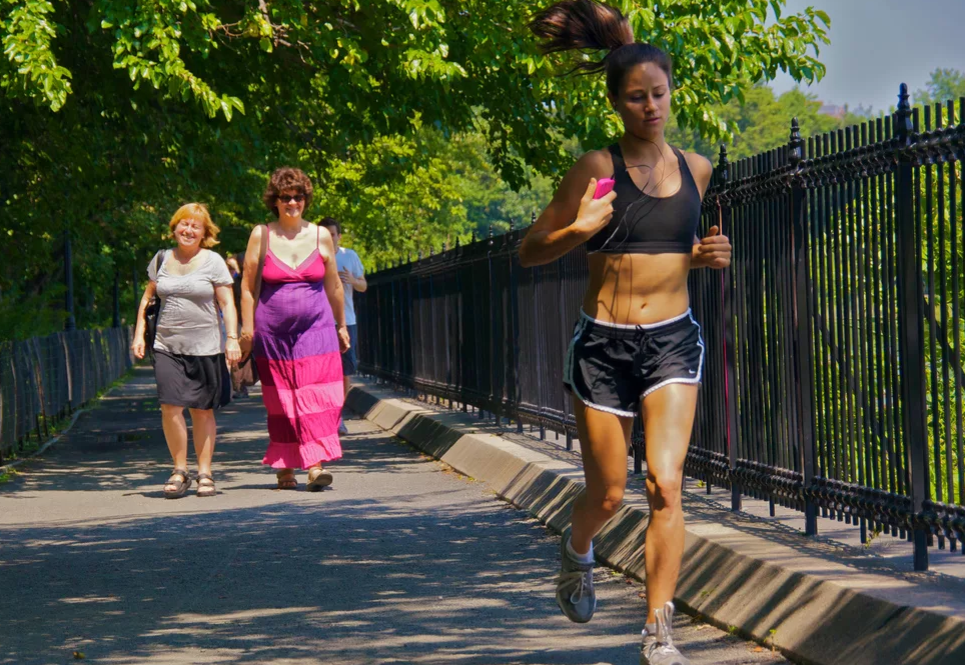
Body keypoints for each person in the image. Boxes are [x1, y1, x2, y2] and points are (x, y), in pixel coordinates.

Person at [520, 2, 732, 664]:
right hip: (603, 347)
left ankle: (656, 626)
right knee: (608, 492)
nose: (650, 107)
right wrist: (578, 231)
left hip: (671, 341)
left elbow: (671, 246)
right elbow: (529, 249)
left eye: (658, 94)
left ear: (671, 94)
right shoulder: (594, 169)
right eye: (636, 97)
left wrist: (701, 258)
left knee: (665, 485)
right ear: (615, 104)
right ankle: (576, 549)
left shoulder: (696, 170)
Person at [239, 168, 350, 491]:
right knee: (281, 399)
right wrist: (246, 330)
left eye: (298, 196)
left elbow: (334, 289)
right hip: (272, 333)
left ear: (306, 199)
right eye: (285, 197)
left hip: (316, 329)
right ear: (274, 201)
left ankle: (315, 465)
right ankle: (286, 464)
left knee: (314, 396)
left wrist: (342, 325)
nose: (292, 203)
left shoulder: (320, 235)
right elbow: (247, 287)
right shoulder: (262, 234)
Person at [131, 203, 242, 499]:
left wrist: (232, 337)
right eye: (184, 224)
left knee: (202, 410)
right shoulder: (162, 259)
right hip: (167, 345)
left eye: (196, 226)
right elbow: (147, 299)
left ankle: (205, 471)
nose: (188, 230)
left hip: (205, 346)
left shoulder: (213, 261)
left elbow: (227, 303)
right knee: (170, 405)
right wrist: (139, 333)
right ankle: (179, 470)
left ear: (205, 233)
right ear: (175, 227)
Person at [321, 217, 367, 435]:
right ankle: (324, 415)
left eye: (332, 234)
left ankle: (337, 416)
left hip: (346, 321)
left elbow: (363, 285)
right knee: (322, 372)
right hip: (318, 322)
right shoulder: (312, 257)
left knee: (344, 371)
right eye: (325, 234)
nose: (329, 238)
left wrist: (352, 280)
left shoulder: (350, 256)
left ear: (339, 236)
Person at [226, 253, 258, 398]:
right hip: (241, 320)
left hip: (254, 320)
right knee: (239, 355)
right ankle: (239, 386)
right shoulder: (237, 282)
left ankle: (241, 385)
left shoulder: (254, 281)